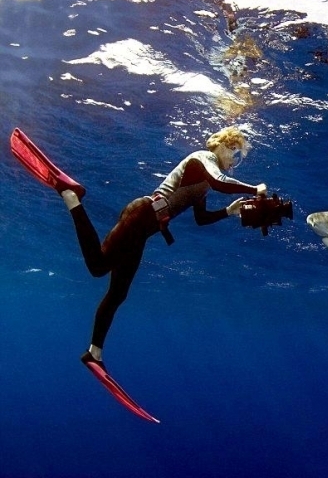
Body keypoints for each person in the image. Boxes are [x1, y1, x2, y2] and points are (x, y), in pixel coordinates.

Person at [54, 126, 267, 368]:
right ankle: (72, 198)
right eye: (235, 153)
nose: (234, 162)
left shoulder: (206, 182)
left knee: (118, 293)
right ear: (221, 145)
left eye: (239, 159)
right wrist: (254, 189)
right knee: (98, 266)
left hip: (145, 229)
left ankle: (94, 353)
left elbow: (201, 218)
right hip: (141, 214)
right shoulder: (203, 158)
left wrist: (229, 211)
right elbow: (221, 182)